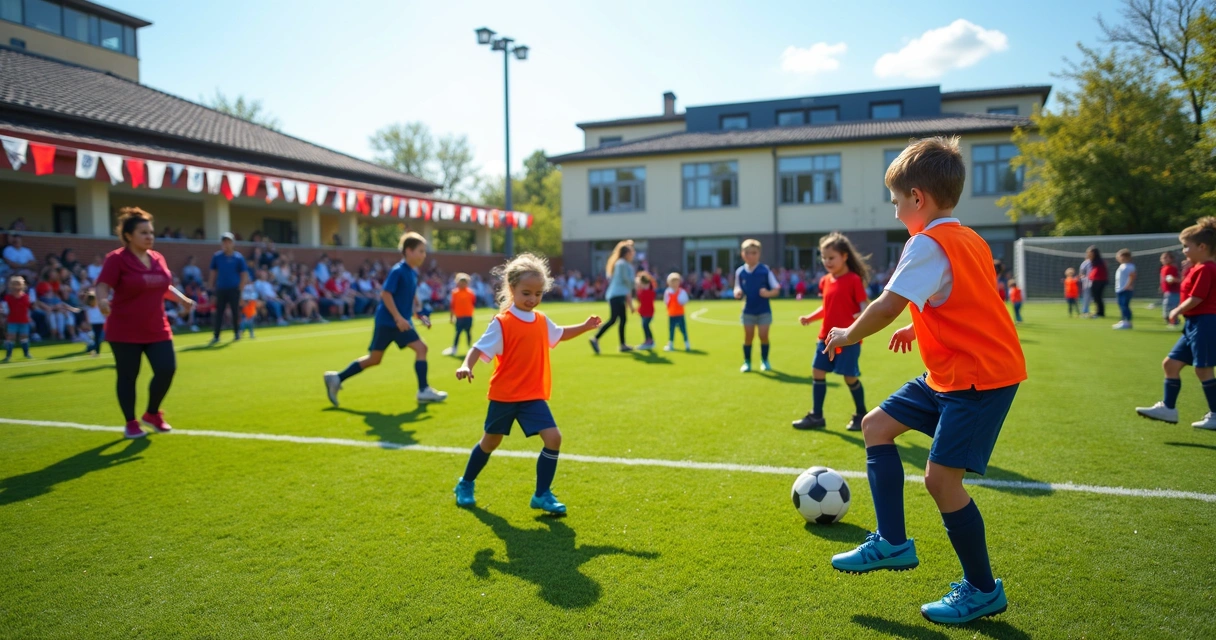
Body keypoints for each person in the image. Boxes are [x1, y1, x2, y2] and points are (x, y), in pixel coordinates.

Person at [823, 137, 1025, 625]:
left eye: (896, 203)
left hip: (979, 379)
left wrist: (849, 332)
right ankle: (893, 541)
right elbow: (966, 299)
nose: (895, 214)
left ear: (918, 197)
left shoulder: (927, 243)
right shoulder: (969, 237)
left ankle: (982, 589)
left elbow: (888, 303)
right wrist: (922, 322)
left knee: (941, 480)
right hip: (950, 372)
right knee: (876, 426)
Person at [451, 253, 602, 515]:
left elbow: (560, 334)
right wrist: (467, 365)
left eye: (538, 293)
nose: (532, 299)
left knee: (553, 438)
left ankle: (542, 494)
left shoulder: (542, 320)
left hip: (532, 395)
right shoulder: (503, 323)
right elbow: (477, 348)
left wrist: (585, 327)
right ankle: (465, 483)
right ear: (511, 289)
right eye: (526, 293)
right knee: (490, 442)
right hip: (505, 396)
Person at [96, 208, 195, 439]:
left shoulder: (157, 258)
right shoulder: (116, 259)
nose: (150, 236)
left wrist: (181, 299)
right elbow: (103, 285)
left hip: (156, 327)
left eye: (151, 232)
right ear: (129, 235)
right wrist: (102, 300)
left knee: (166, 369)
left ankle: (152, 413)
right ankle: (130, 421)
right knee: (128, 376)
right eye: (143, 232)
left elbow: (162, 285)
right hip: (124, 330)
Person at [323, 232, 448, 406]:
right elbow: (386, 294)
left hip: (398, 322)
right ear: (409, 251)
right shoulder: (398, 270)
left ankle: (336, 378)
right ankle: (423, 390)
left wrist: (419, 314)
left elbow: (410, 297)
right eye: (420, 251)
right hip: (390, 323)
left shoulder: (412, 273)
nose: (423, 255)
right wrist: (398, 318)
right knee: (418, 349)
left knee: (377, 358)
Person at [1135, 217, 1216, 430]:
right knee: (1170, 364)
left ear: (1202, 246)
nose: (1184, 251)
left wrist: (1177, 310)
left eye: (1186, 246)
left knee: (1203, 369)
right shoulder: (1199, 267)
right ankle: (1168, 409)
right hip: (1194, 324)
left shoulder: (1207, 268)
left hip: (1206, 323)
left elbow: (1197, 298)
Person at [793, 233, 871, 431]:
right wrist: (810, 318)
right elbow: (826, 307)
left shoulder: (853, 280)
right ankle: (816, 416)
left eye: (831, 257)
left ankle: (861, 414)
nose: (827, 261)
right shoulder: (826, 280)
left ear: (844, 256)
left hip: (848, 340)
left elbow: (865, 307)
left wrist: (858, 319)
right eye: (824, 258)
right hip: (825, 338)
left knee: (849, 377)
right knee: (817, 371)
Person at [734, 238, 780, 372]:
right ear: (743, 254)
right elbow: (737, 287)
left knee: (763, 336)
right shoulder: (740, 272)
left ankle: (764, 360)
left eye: (754, 253)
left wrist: (768, 293)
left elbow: (776, 289)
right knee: (748, 337)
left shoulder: (765, 270)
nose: (751, 256)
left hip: (764, 311)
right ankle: (747, 361)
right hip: (748, 311)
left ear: (759, 254)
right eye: (748, 253)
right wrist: (737, 292)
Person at [590, 240, 635, 354]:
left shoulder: (623, 264)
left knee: (622, 319)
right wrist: (636, 283)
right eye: (631, 251)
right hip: (617, 295)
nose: (633, 253)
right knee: (614, 319)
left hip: (618, 295)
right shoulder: (622, 264)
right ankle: (595, 338)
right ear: (626, 253)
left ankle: (622, 344)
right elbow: (626, 280)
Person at [208, 232, 251, 345]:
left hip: (234, 289)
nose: (226, 244)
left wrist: (240, 289)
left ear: (233, 243)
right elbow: (213, 273)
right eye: (224, 242)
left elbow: (244, 274)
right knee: (219, 313)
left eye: (228, 242)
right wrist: (210, 289)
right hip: (221, 289)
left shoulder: (238, 257)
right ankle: (216, 335)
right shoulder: (217, 257)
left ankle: (237, 333)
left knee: (235, 312)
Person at [443, 273, 477, 357]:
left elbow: (473, 303)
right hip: (459, 317)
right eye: (461, 282)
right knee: (458, 333)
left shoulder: (470, 292)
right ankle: (454, 348)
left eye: (464, 282)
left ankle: (470, 348)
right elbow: (452, 306)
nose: (462, 284)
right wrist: (451, 317)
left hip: (468, 316)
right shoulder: (455, 293)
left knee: (468, 332)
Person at [2, 275, 33, 361]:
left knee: (24, 337)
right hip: (12, 320)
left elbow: (27, 309)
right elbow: (5, 309)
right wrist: (4, 317)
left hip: (24, 320)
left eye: (18, 284)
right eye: (14, 284)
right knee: (11, 337)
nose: (16, 287)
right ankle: (8, 355)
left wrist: (29, 318)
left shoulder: (25, 297)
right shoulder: (8, 298)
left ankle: (26, 353)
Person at [664, 272, 690, 351]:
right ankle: (670, 344)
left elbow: (685, 300)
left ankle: (687, 344)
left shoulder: (682, 292)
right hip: (671, 314)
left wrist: (681, 301)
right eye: (673, 282)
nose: (675, 284)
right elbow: (666, 301)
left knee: (683, 329)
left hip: (680, 314)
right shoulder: (668, 292)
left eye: (676, 282)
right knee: (671, 330)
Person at [1112, 248, 1136, 330]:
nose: (1118, 258)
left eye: (1119, 256)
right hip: (1120, 289)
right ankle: (1123, 320)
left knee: (1125, 305)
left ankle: (1127, 322)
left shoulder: (1129, 266)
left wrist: (1128, 285)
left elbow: (1132, 276)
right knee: (1121, 305)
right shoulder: (1122, 266)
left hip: (1125, 289)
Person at [636, 272, 656, 350]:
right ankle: (649, 340)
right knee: (645, 326)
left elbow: (644, 299)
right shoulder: (643, 291)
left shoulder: (649, 292)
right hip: (644, 312)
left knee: (645, 325)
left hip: (648, 313)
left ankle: (649, 341)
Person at [1160, 252, 1181, 327]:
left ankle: (1173, 322)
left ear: (1171, 259)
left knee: (1171, 307)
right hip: (1167, 291)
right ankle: (1172, 321)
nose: (1164, 259)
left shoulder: (1172, 268)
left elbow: (1177, 279)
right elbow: (1163, 279)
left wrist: (1172, 279)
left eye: (1166, 257)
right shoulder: (1163, 268)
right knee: (1166, 307)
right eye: (1163, 258)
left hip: (1173, 292)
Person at [1086, 246, 1108, 318]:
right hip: (1097, 280)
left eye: (1090, 252)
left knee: (1098, 297)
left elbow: (1098, 272)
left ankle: (1100, 312)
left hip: (1099, 281)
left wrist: (1091, 276)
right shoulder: (1094, 261)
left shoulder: (1099, 262)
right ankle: (1098, 312)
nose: (1088, 254)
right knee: (1096, 297)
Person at [84, 289, 106, 356]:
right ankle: (94, 350)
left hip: (101, 324)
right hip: (94, 325)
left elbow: (104, 315)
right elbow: (88, 318)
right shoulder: (88, 309)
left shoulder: (99, 307)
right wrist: (89, 325)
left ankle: (94, 349)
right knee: (96, 339)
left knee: (99, 338)